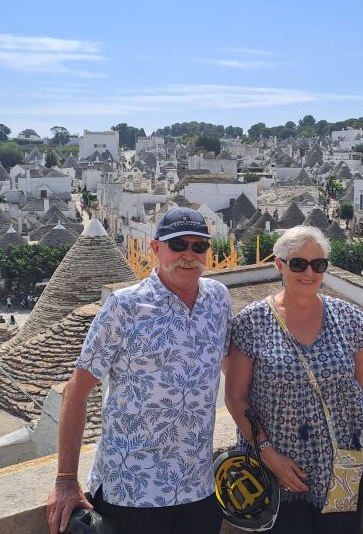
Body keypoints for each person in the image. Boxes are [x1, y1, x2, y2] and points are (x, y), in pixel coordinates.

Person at [225, 226, 363, 534]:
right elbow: (236, 397)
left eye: (318, 265)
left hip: (342, 464)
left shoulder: (346, 317)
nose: (309, 273)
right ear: (279, 265)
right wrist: (267, 453)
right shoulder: (252, 322)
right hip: (281, 468)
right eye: (298, 264)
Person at [47, 207, 232, 534]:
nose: (189, 255)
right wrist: (65, 481)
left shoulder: (218, 299)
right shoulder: (124, 306)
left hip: (197, 487)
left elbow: (230, 367)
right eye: (178, 246)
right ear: (156, 248)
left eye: (198, 246)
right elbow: (77, 390)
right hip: (132, 490)